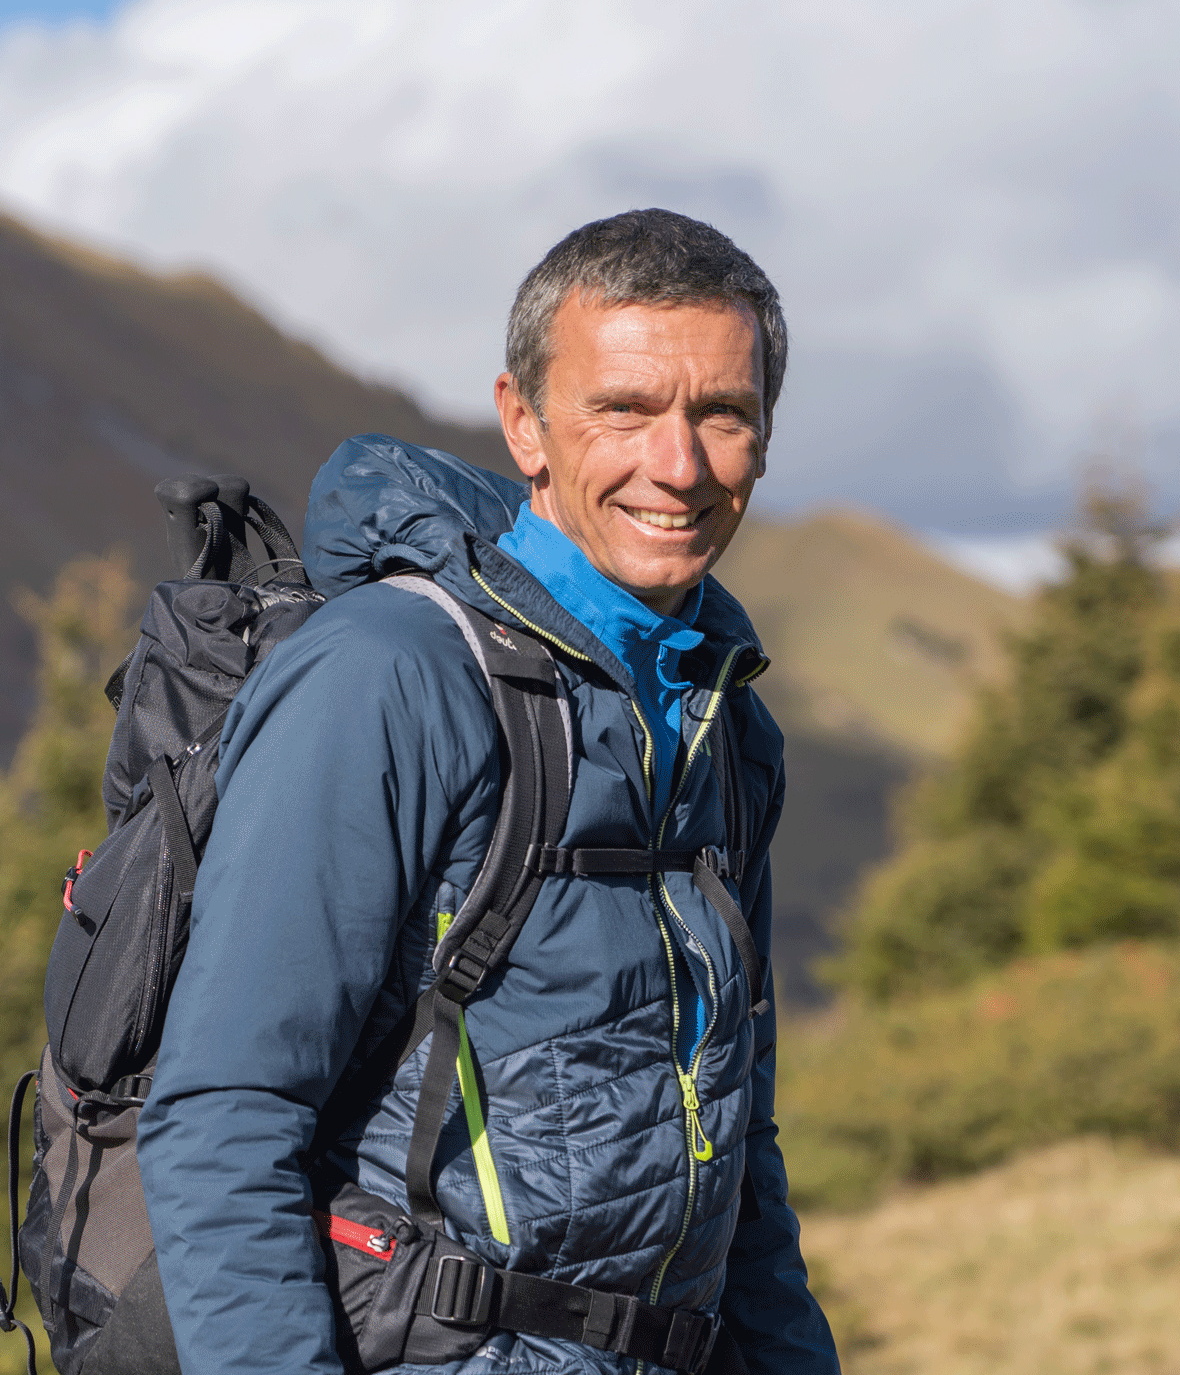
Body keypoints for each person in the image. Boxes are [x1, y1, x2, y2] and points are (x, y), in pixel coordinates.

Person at [135, 208, 841, 1375]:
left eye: (724, 414)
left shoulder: (727, 728)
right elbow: (224, 1117)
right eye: (625, 409)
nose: (679, 465)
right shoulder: (389, 677)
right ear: (525, 423)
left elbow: (739, 1147)